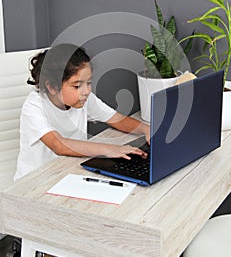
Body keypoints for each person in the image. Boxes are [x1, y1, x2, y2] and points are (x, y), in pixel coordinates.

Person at [14, 43, 150, 181]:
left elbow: (116, 119)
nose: (86, 91)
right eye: (77, 86)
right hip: (35, 180)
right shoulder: (34, 105)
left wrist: (146, 129)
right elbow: (58, 145)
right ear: (52, 87)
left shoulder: (84, 98)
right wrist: (109, 149)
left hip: (69, 170)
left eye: (89, 82)